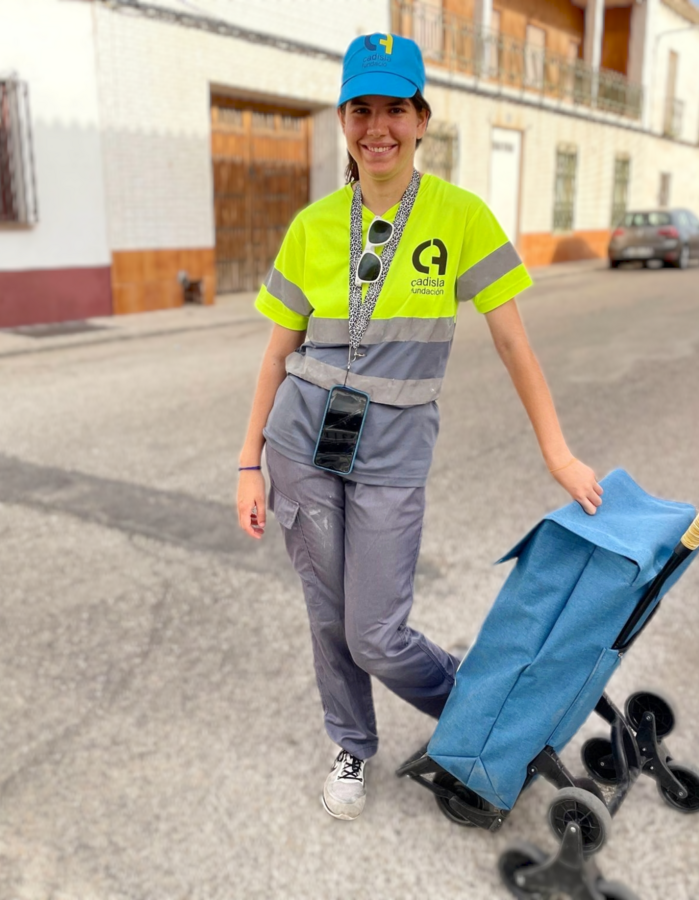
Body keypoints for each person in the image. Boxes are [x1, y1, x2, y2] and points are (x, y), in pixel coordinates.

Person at [235, 33, 602, 821]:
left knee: (376, 631)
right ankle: (351, 743)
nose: (378, 127)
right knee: (328, 614)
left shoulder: (459, 216)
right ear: (343, 120)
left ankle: (487, 721)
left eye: (394, 109)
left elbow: (512, 340)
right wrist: (246, 464)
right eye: (361, 109)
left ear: (422, 118)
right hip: (303, 442)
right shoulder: (311, 225)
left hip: (395, 450)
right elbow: (274, 357)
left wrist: (559, 453)